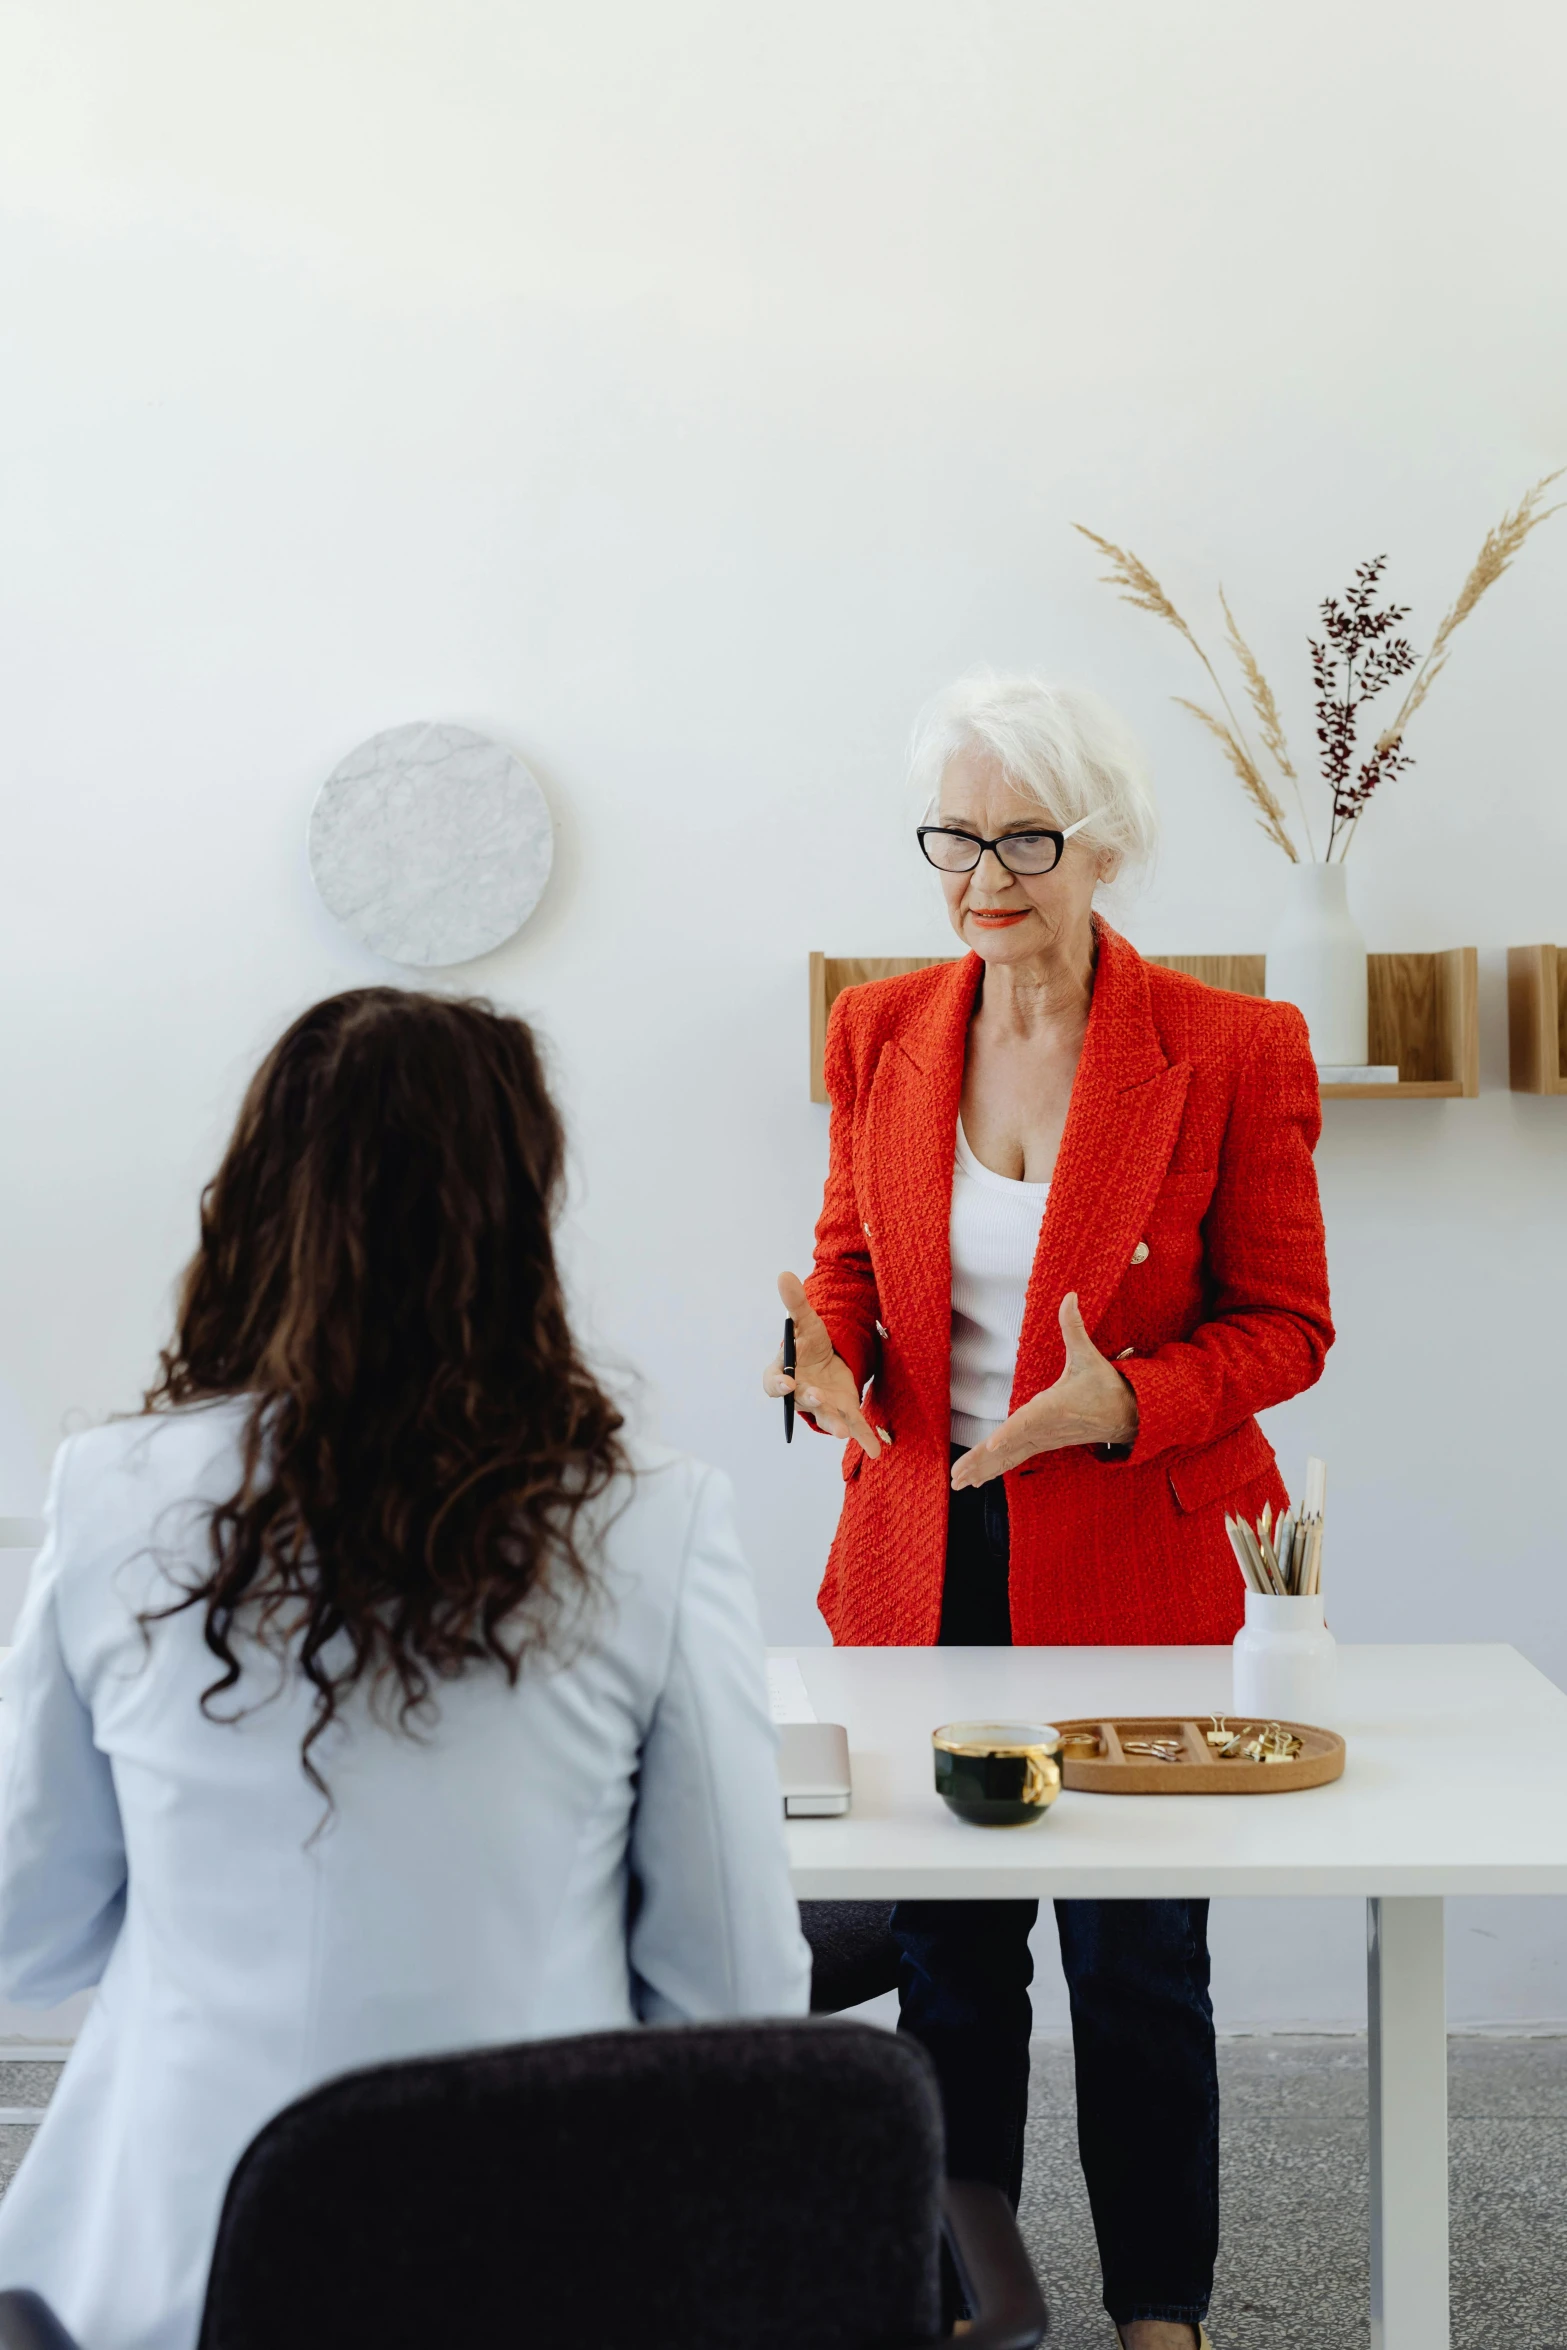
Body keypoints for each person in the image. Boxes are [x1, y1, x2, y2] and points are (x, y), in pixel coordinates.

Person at [0, 988, 809, 2350]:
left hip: (167, 2285)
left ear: (257, 1200)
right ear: (520, 1215)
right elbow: (733, 1994)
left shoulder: (108, 1493)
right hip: (535, 2275)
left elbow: (28, 1928)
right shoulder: (651, 1518)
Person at [765, 674, 1333, 2350]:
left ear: (1105, 845)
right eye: (954, 834)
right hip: (919, 1549)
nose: (981, 873)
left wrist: (1126, 1401)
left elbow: (1286, 1323)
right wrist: (820, 1356)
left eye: (1023, 835)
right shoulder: (880, 1028)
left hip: (1138, 1555)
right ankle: (961, 2305)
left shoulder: (1230, 1049)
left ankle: (1161, 2315)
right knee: (950, 1962)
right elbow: (855, 1266)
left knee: (1137, 1957)